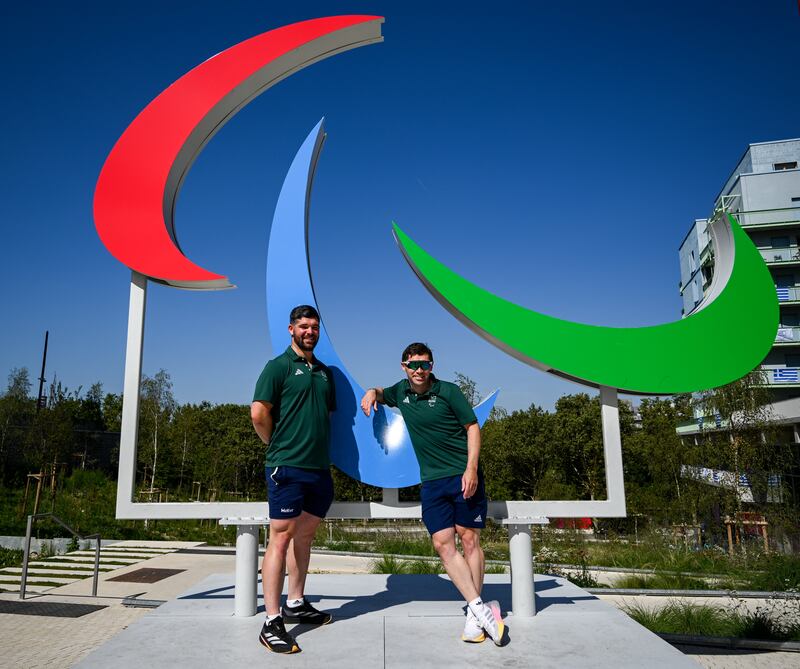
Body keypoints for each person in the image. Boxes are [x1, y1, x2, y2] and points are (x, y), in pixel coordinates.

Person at [360, 343, 505, 646]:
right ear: (403, 366)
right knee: (442, 544)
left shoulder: (448, 391)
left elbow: (473, 427)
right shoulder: (401, 391)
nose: (418, 370)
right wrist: (372, 392)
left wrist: (471, 469)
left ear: (432, 365)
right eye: (413, 365)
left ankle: (473, 617)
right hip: (432, 482)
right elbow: (382, 392)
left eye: (424, 365)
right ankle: (481, 608)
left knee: (469, 539)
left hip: (463, 475)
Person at [251, 305, 336, 654]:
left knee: (305, 536)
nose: (310, 332)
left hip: (318, 470)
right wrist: (276, 445)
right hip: (287, 467)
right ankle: (272, 621)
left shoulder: (325, 373)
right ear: (291, 329)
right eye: (303, 326)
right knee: (280, 539)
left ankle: (296, 602)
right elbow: (258, 413)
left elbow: (324, 416)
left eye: (314, 326)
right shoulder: (279, 367)